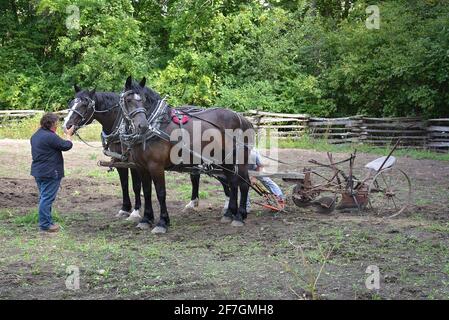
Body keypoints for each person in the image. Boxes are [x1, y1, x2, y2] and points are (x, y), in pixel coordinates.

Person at [30, 113, 75, 233]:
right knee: (47, 198)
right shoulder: (50, 136)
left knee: (44, 197)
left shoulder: (36, 135)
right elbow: (66, 146)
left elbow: (54, 143)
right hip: (50, 172)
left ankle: (47, 221)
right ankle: (45, 225)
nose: (57, 126)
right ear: (51, 124)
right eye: (56, 123)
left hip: (38, 171)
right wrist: (69, 135)